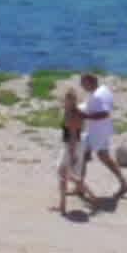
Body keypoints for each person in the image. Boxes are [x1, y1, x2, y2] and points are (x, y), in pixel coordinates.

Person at [77, 71, 127, 204]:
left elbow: (104, 113)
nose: (81, 86)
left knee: (97, 157)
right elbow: (98, 108)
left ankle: (124, 184)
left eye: (83, 83)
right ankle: (80, 186)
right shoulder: (103, 90)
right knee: (89, 156)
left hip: (97, 132)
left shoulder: (97, 96)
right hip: (100, 130)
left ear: (90, 82)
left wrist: (85, 116)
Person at [56, 77, 88, 212]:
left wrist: (72, 153)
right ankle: (82, 190)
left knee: (62, 173)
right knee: (68, 174)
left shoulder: (72, 115)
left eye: (68, 99)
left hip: (71, 145)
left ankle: (63, 205)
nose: (66, 102)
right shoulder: (74, 112)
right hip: (75, 145)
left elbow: (73, 136)